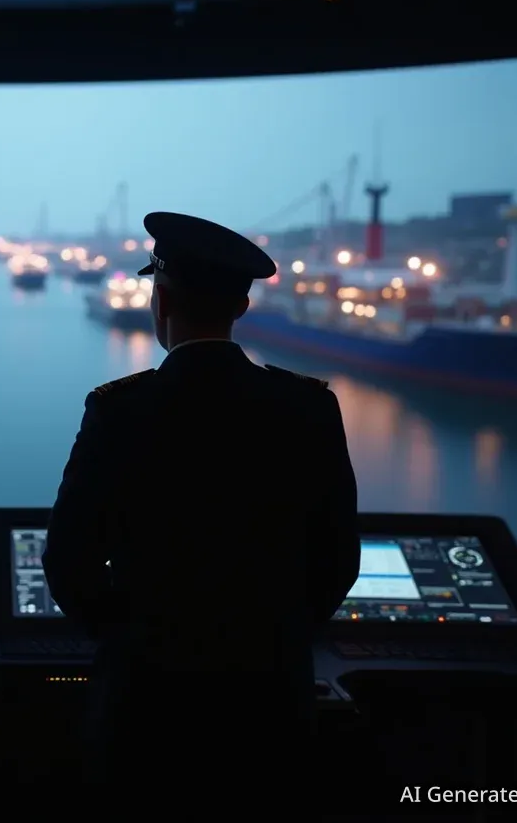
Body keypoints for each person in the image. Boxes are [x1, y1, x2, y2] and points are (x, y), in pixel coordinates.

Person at [43, 212, 361, 798]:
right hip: (271, 698)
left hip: (146, 700)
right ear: (241, 307)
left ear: (160, 300)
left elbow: (68, 561)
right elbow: (338, 559)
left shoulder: (120, 409)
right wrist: (277, 635)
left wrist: (131, 638)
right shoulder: (309, 406)